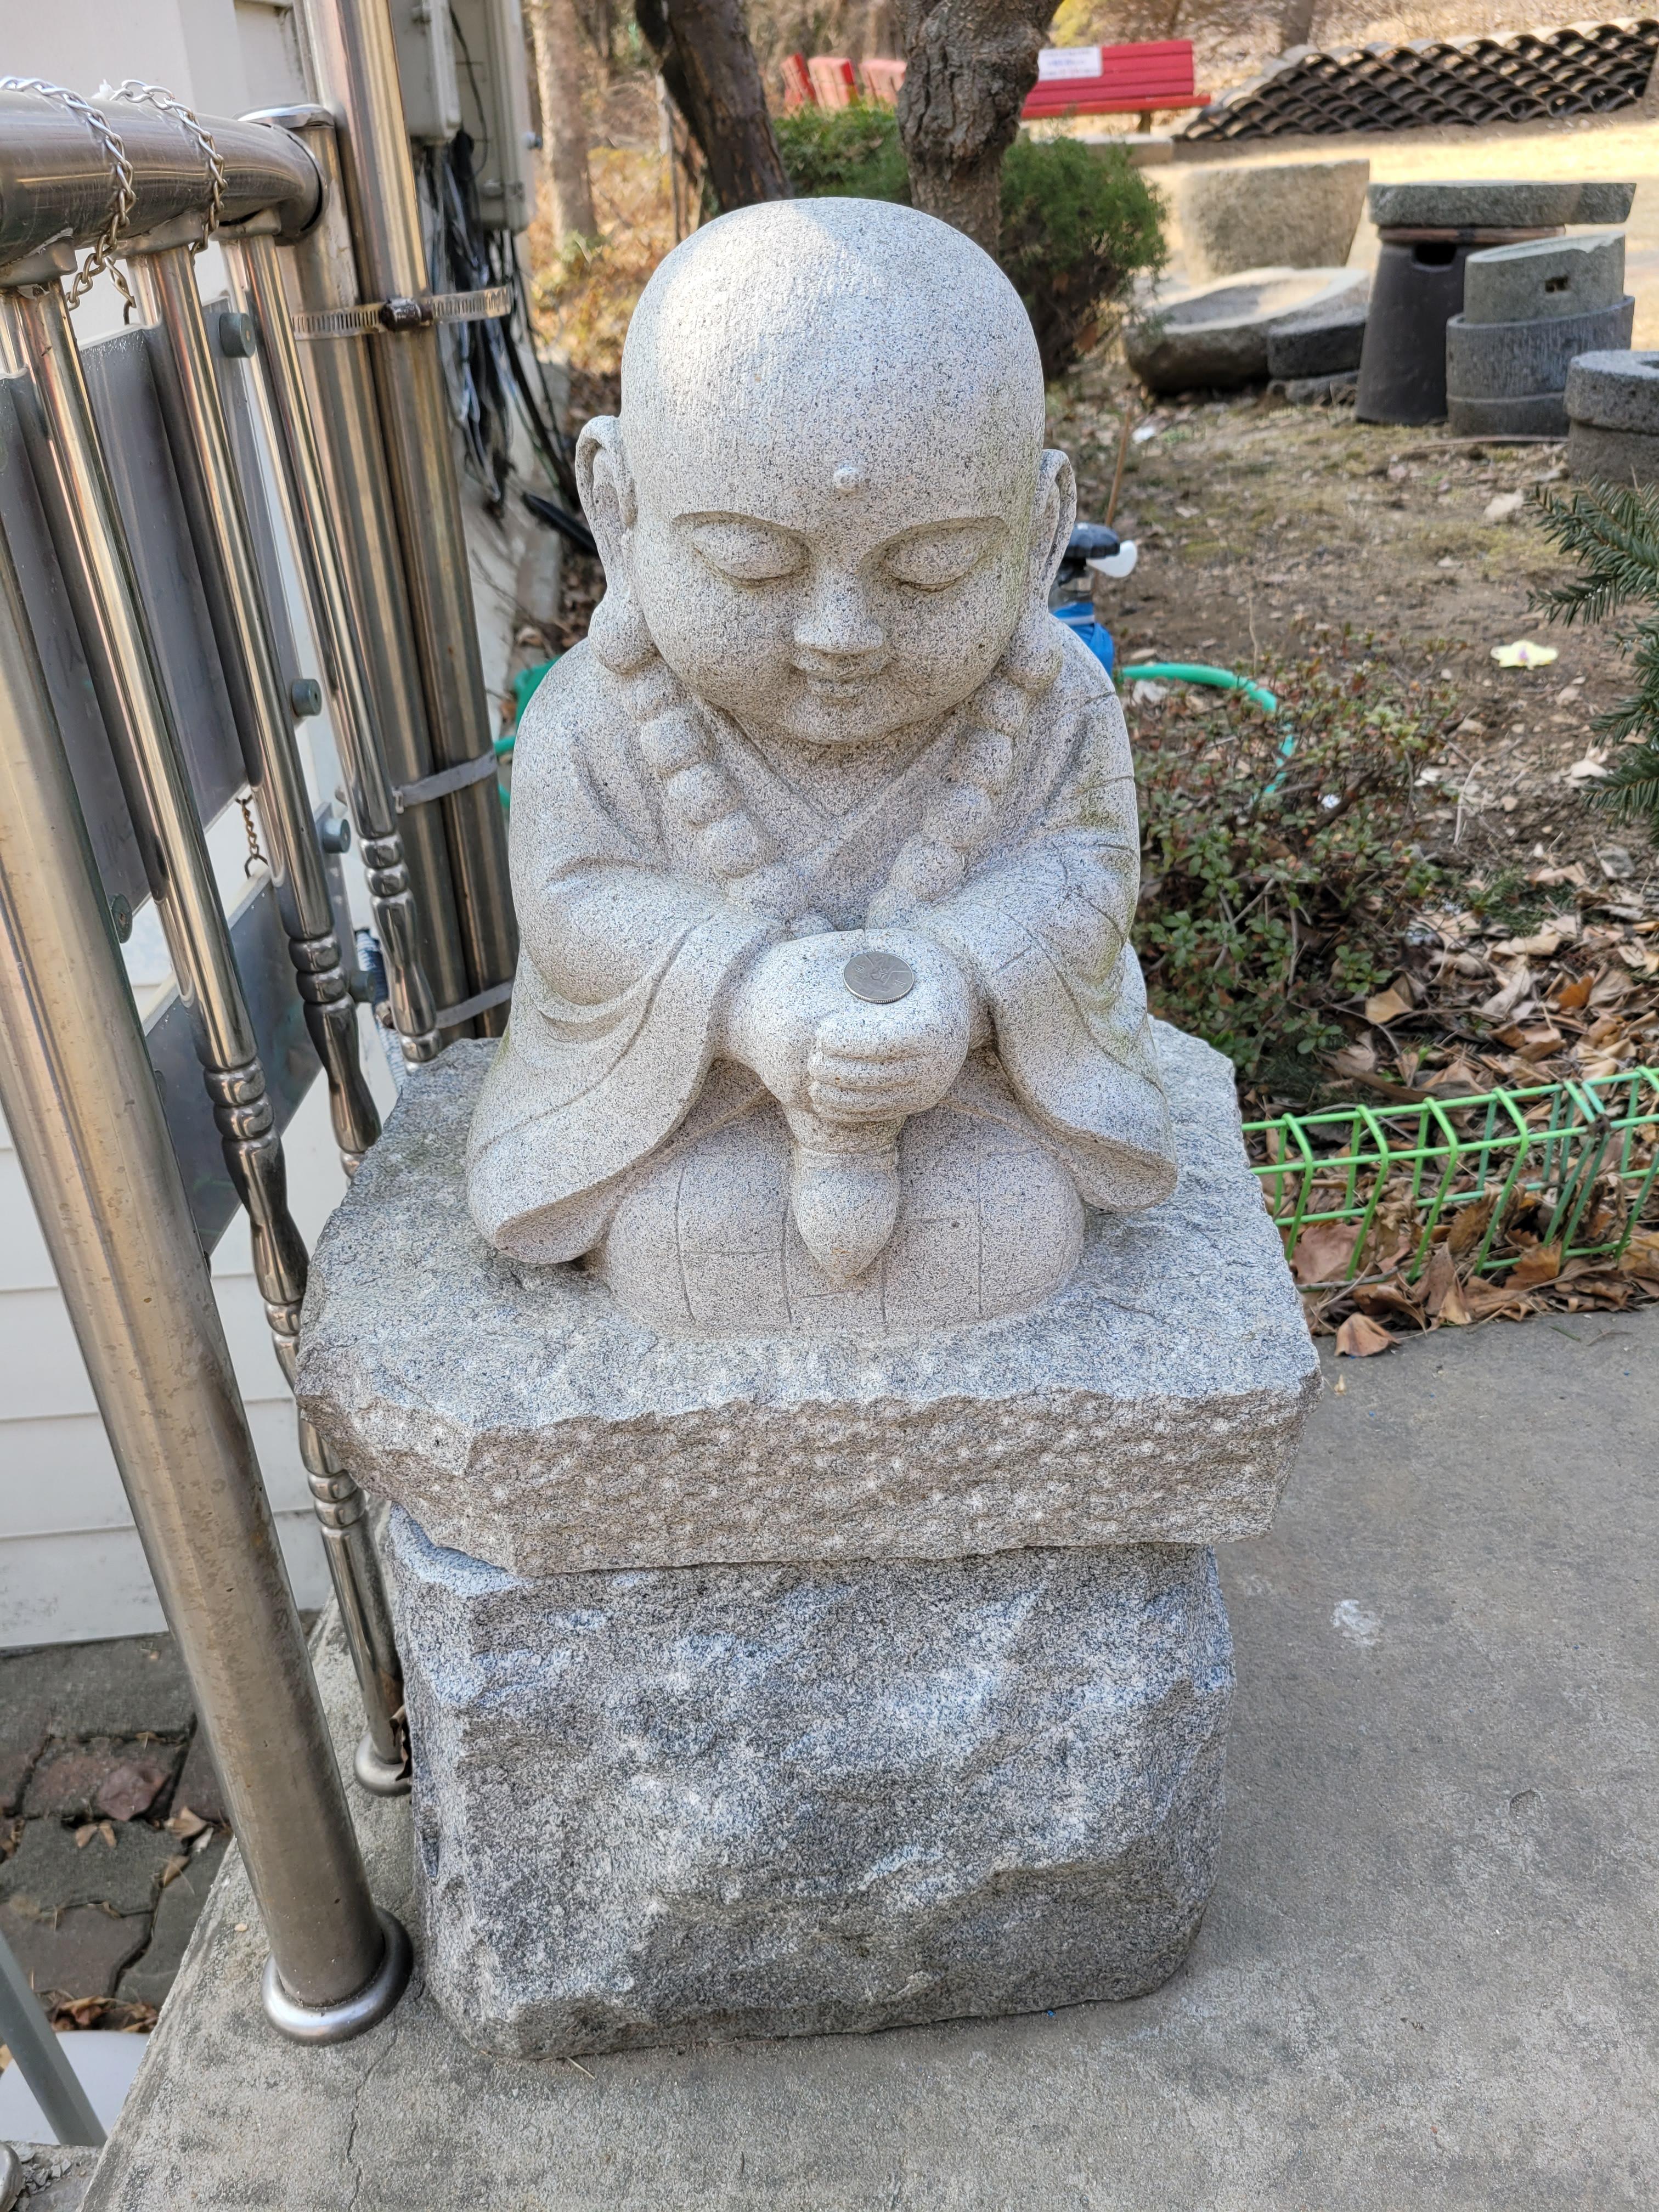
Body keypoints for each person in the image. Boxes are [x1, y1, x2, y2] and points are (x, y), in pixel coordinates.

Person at [466, 197, 1177, 1334]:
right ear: (619, 506)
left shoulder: (1054, 704)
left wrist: (962, 981)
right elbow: (572, 903)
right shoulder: (597, 713)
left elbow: (1087, 876)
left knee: (1009, 1218)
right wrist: (744, 996)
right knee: (683, 1235)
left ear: (1041, 529)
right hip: (689, 1100)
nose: (840, 634)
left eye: (932, 568)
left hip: (968, 1093)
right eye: (751, 564)